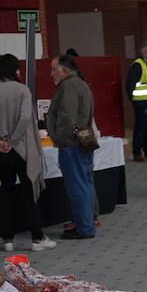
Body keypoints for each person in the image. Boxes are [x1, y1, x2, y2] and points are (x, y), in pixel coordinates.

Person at [0, 54, 55, 252]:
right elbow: (25, 118)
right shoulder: (22, 90)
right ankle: (37, 238)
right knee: (29, 193)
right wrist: (11, 141)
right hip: (21, 149)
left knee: (5, 194)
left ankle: (8, 240)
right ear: (15, 70)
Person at [47, 54, 97, 240]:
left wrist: (59, 139)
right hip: (82, 141)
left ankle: (84, 227)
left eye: (54, 69)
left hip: (71, 144)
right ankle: (86, 222)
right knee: (85, 184)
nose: (51, 74)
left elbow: (67, 118)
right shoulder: (81, 84)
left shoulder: (68, 87)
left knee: (78, 186)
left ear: (65, 71)